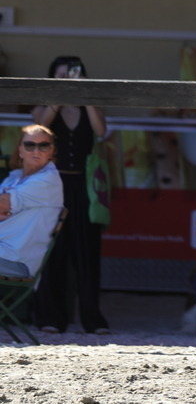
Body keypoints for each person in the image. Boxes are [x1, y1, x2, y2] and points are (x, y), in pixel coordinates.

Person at [31, 56, 110, 334]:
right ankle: (51, 317)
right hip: (53, 187)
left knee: (87, 252)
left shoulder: (90, 105)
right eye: (60, 75)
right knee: (53, 252)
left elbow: (101, 131)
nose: (67, 80)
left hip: (84, 187)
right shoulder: (45, 105)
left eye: (71, 75)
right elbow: (41, 127)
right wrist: (59, 97)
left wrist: (84, 94)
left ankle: (92, 318)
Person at [0, 125, 64, 279]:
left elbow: (2, 204)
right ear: (20, 151)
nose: (36, 151)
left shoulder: (47, 180)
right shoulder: (14, 177)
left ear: (51, 151)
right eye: (30, 145)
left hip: (15, 260)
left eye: (43, 146)